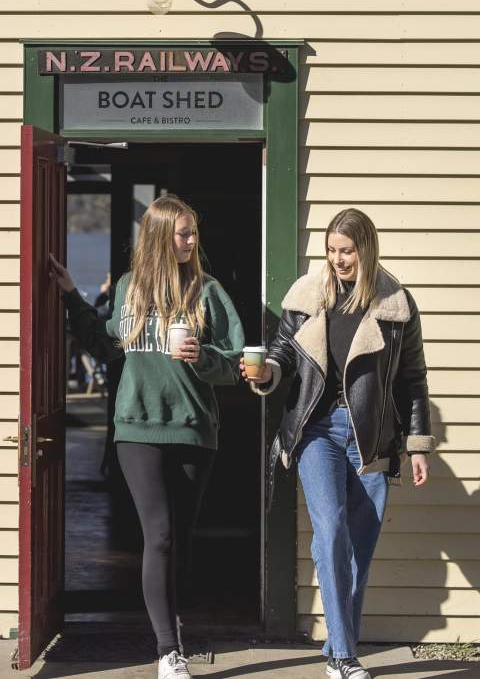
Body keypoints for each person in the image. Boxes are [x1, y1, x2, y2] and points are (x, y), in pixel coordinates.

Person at [50, 194, 244, 679]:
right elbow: (104, 343)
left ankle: (171, 620)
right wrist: (73, 296)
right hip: (137, 426)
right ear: (160, 236)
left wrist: (204, 357)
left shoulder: (209, 292)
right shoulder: (129, 290)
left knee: (179, 540)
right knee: (157, 536)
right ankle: (167, 650)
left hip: (194, 427)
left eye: (194, 232)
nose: (193, 240)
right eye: (184, 233)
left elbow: (236, 363)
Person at [241, 208, 434, 679]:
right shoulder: (308, 295)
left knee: (358, 550)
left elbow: (412, 379)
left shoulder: (396, 305)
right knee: (330, 533)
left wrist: (418, 445)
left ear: (366, 248)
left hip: (371, 440)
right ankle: (346, 657)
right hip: (317, 431)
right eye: (331, 251)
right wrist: (267, 372)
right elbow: (285, 350)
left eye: (346, 251)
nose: (338, 260)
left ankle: (336, 648)